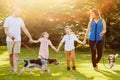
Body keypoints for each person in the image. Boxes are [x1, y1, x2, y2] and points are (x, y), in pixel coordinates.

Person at [3, 7, 33, 74]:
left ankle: (15, 70)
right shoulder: (8, 19)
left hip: (18, 40)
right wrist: (11, 36)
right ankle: (12, 67)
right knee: (10, 55)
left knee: (16, 54)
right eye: (18, 11)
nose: (20, 13)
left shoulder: (20, 19)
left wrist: (30, 37)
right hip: (9, 40)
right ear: (14, 11)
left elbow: (24, 29)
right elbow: (6, 31)